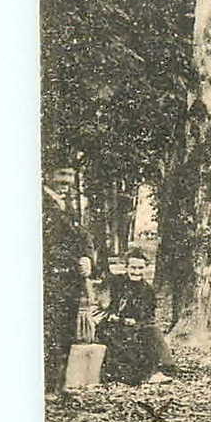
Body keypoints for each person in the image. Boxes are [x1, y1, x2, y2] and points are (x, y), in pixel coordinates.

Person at [43, 165, 94, 394]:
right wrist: (75, 260)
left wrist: (88, 258)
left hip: (70, 281)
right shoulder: (39, 203)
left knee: (65, 331)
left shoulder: (69, 205)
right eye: (61, 175)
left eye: (70, 177)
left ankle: (58, 385)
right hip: (50, 279)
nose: (66, 182)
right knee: (49, 331)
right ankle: (47, 385)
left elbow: (83, 236)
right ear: (48, 174)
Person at [98, 248, 171, 385]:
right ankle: (133, 376)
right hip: (112, 325)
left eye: (140, 268)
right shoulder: (115, 283)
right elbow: (103, 305)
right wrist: (113, 316)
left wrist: (136, 323)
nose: (136, 272)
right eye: (133, 267)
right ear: (126, 267)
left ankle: (159, 369)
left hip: (135, 326)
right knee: (120, 338)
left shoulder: (147, 290)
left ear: (145, 268)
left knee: (151, 332)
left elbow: (149, 316)